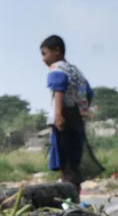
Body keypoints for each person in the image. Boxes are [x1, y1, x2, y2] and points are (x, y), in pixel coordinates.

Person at [41, 34, 104, 200]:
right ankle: (75, 195)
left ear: (57, 51)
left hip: (65, 116)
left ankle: (68, 198)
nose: (43, 58)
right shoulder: (75, 70)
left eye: (44, 53)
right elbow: (88, 93)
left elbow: (59, 90)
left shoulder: (57, 69)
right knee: (74, 161)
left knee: (65, 162)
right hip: (76, 117)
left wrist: (58, 115)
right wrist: (82, 110)